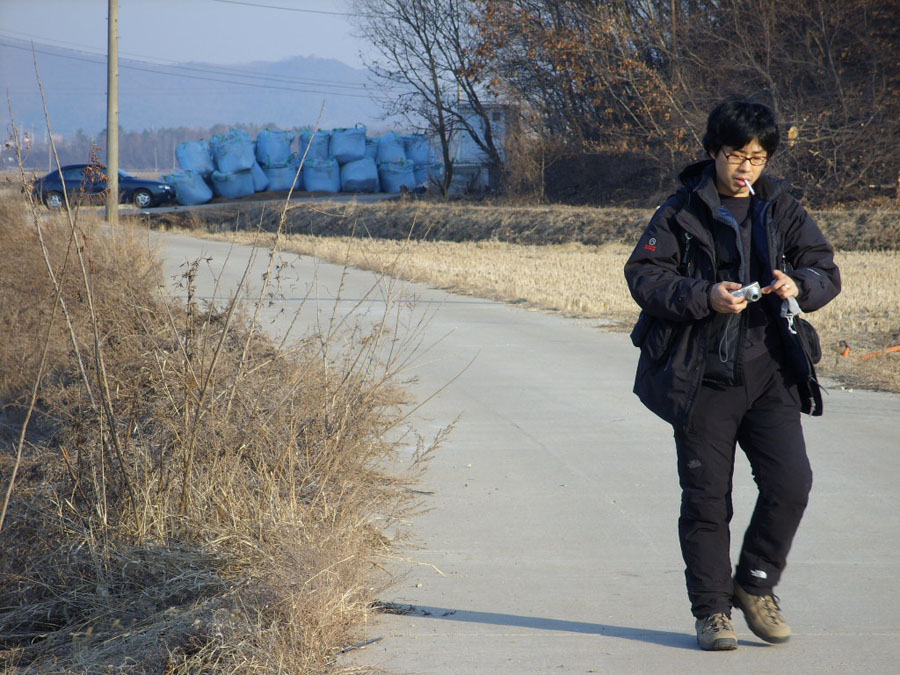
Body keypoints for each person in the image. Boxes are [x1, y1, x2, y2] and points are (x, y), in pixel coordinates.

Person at [623, 97, 841, 651]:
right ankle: (712, 612)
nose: (746, 167)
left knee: (791, 484)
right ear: (714, 152)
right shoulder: (680, 211)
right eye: (736, 155)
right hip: (702, 376)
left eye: (758, 157)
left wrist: (799, 284)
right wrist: (705, 295)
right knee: (706, 499)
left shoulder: (781, 207)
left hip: (771, 371)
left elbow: (824, 268)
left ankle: (755, 583)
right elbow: (644, 275)